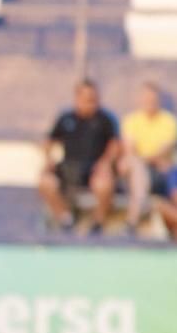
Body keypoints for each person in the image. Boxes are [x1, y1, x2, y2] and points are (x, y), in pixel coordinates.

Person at [38, 80, 120, 231]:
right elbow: (48, 142)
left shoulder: (105, 119)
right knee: (45, 181)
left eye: (94, 99)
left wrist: (105, 163)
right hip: (69, 167)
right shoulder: (66, 118)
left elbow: (115, 145)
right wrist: (48, 160)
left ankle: (98, 221)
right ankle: (65, 218)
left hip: (94, 168)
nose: (91, 103)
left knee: (105, 184)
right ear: (77, 98)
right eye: (87, 99)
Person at [118, 82, 177, 232]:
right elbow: (129, 150)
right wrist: (143, 161)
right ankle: (132, 221)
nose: (149, 102)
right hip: (133, 173)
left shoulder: (170, 121)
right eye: (146, 98)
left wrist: (143, 160)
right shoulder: (131, 120)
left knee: (139, 168)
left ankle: (132, 221)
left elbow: (164, 151)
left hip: (159, 173)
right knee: (135, 167)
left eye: (153, 99)